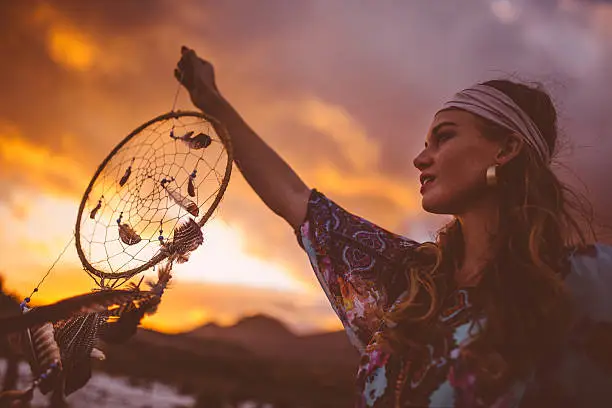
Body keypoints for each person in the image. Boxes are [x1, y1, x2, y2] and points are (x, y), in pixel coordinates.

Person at [175, 46, 612, 407]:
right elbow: (295, 200)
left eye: (444, 137)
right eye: (425, 143)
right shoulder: (409, 283)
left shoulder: (577, 282)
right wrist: (210, 100)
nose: (421, 159)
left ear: (507, 149)